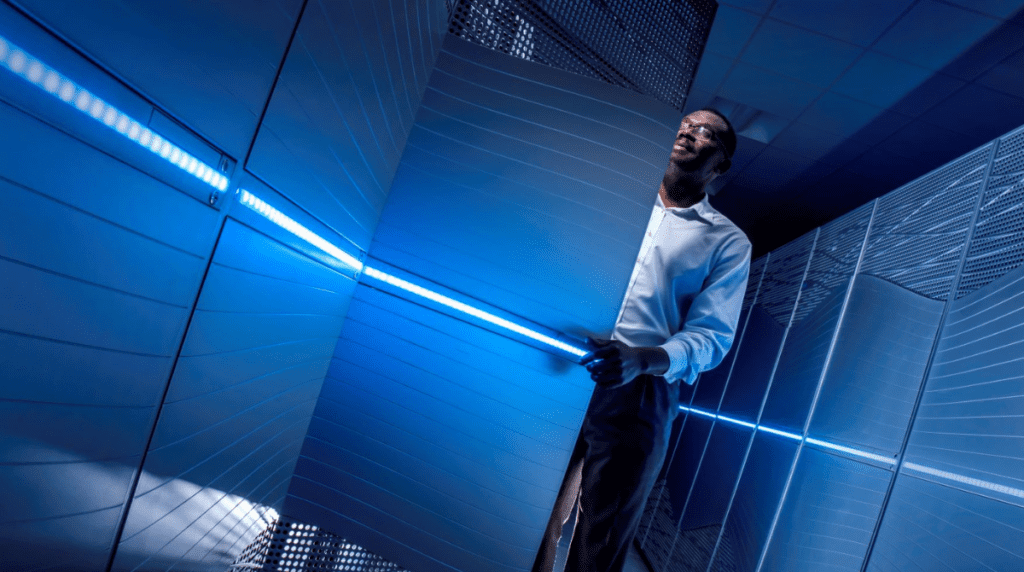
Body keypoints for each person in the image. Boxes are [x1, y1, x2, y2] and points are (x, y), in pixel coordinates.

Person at [533, 109, 752, 572]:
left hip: (641, 389)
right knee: (530, 512)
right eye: (687, 124)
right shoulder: (616, 201)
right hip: (564, 367)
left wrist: (641, 359)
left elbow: (712, 337)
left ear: (721, 164)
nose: (690, 133)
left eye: (706, 132)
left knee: (603, 537)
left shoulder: (728, 243)